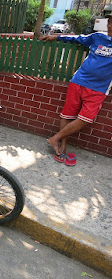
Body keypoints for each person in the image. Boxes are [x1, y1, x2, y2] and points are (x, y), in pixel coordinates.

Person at [41, 14, 112, 166]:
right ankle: (62, 146)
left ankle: (55, 138)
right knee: (68, 113)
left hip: (99, 88)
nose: (110, 26)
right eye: (110, 22)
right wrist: (57, 37)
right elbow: (77, 38)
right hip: (79, 80)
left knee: (86, 118)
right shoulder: (98, 37)